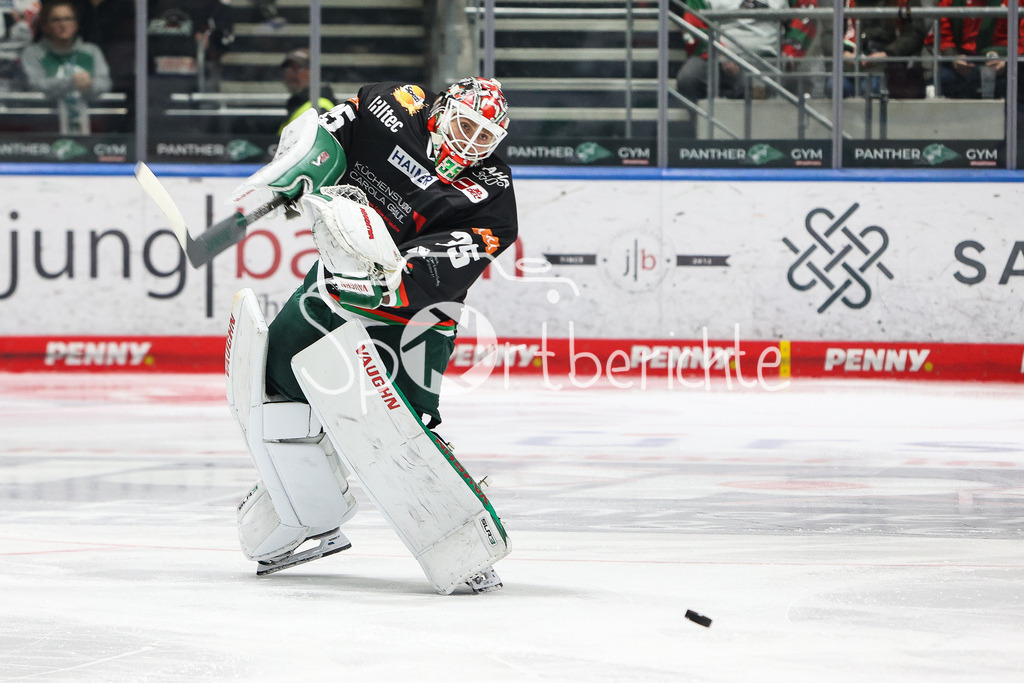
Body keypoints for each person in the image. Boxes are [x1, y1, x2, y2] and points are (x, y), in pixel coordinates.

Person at [226, 77, 515, 593]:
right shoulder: (392, 105)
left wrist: (385, 286)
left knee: (406, 427)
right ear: (442, 110)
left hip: (417, 317)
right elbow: (328, 134)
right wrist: (295, 172)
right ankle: (306, 506)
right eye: (466, 125)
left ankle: (460, 540)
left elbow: (445, 265)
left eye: (485, 137)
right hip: (336, 283)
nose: (472, 143)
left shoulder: (491, 194)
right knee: (273, 385)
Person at [675, 0, 819, 101]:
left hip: (766, 60)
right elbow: (691, 23)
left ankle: (754, 137)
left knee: (757, 87)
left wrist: (791, 50)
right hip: (716, 57)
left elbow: (808, 10)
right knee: (688, 78)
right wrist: (719, 52)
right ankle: (701, 135)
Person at [21, 0, 110, 133]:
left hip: (93, 127)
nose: (63, 25)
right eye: (56, 20)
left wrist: (90, 84)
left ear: (76, 24)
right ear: (45, 26)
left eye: (68, 19)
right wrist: (70, 82)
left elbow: (105, 83)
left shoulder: (92, 51)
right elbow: (34, 85)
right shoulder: (33, 53)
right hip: (43, 127)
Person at [825, 0, 927, 98]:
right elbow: (828, 33)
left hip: (887, 67)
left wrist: (887, 53)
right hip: (847, 66)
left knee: (871, 88)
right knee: (835, 87)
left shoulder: (903, 2)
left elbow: (915, 33)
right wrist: (843, 53)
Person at [930, 0, 1024, 99]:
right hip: (962, 64)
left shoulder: (1017, 2)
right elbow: (941, 35)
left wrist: (1008, 63)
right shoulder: (949, 2)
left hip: (1005, 66)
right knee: (943, 79)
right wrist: (954, 58)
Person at [277, 47, 335, 134]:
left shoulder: (319, 107)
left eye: (297, 68)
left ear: (314, 72)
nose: (290, 74)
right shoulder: (297, 103)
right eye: (287, 68)